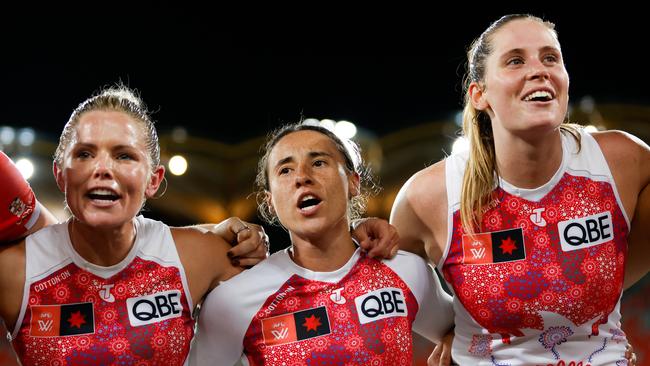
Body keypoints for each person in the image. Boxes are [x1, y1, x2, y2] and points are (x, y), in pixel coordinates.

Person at [0, 87, 398, 365]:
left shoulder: (201, 256)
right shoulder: (12, 273)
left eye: (124, 155)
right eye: (85, 154)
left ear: (154, 180)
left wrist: (353, 228)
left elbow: (308, 272)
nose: (103, 169)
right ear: (59, 174)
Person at [390, 14, 649, 365]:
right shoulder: (427, 197)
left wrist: (592, 320)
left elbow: (626, 267)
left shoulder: (626, 163)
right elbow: (390, 284)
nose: (539, 70)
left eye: (550, 57)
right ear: (479, 95)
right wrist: (454, 328)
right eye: (515, 60)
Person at [191, 122, 455, 366]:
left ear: (353, 183)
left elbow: (470, 332)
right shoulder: (232, 300)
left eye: (318, 163)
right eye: (285, 170)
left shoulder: (405, 270)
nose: (302, 177)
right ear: (270, 202)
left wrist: (457, 343)